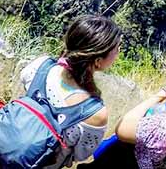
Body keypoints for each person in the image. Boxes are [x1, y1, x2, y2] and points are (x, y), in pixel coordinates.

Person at [16, 15, 121, 168]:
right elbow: (80, 155)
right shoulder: (94, 112)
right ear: (98, 61)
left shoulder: (40, 66)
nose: (119, 52)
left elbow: (25, 85)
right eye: (117, 49)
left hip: (13, 142)